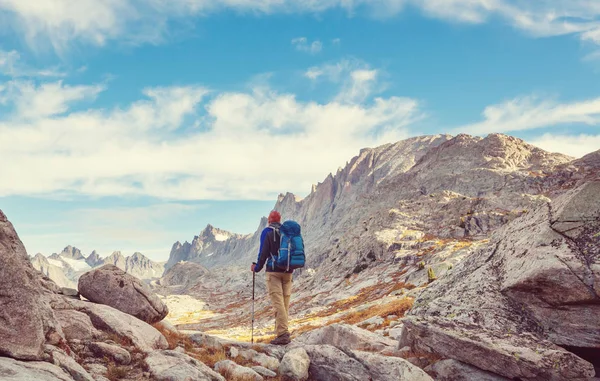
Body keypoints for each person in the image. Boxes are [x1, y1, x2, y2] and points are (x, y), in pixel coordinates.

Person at [251, 210, 293, 345]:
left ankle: (282, 334)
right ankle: (282, 332)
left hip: (273, 272)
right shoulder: (287, 232)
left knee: (278, 302)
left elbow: (263, 252)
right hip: (288, 271)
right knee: (284, 303)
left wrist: (257, 268)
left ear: (269, 220)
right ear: (280, 220)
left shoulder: (267, 232)